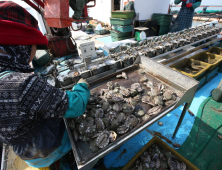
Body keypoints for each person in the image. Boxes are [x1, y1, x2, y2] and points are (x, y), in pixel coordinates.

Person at [0, 1, 90, 168]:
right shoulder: (22, 85)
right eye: (35, 45)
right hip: (47, 149)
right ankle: (67, 157)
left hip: (25, 152)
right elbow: (76, 106)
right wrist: (82, 86)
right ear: (22, 47)